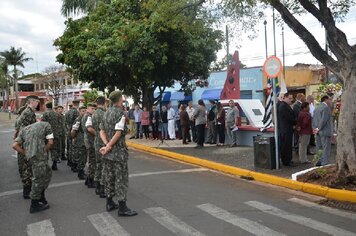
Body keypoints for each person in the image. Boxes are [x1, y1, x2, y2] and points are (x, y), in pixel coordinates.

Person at [99, 90, 137, 216]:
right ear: (119, 99)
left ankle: (109, 202)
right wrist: (109, 145)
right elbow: (119, 132)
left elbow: (102, 131)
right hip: (118, 152)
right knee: (121, 179)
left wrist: (106, 145)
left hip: (108, 153)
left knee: (110, 177)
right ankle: (122, 207)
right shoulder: (120, 113)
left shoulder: (106, 112)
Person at [12, 121, 54, 213]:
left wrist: (26, 153)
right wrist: (43, 151)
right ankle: (34, 205)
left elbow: (15, 145)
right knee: (39, 180)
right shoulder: (47, 125)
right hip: (40, 158)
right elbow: (50, 142)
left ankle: (41, 197)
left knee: (45, 176)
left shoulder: (25, 129)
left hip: (31, 158)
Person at [14, 95, 39, 199]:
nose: (37, 103)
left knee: (26, 167)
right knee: (26, 167)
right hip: (26, 144)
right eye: (36, 101)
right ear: (31, 102)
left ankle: (27, 190)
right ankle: (27, 191)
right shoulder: (28, 113)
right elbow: (26, 131)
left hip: (24, 143)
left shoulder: (27, 111)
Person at [91, 96, 107, 198]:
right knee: (103, 166)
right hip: (102, 141)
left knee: (98, 164)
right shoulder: (103, 114)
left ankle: (97, 186)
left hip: (96, 140)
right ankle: (102, 188)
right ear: (104, 103)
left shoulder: (94, 114)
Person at [313, 95, 333, 166]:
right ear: (325, 100)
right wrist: (318, 128)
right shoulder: (326, 108)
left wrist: (315, 129)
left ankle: (319, 161)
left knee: (319, 147)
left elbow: (314, 119)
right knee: (326, 148)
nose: (330, 101)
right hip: (324, 131)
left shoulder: (317, 108)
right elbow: (323, 120)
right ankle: (324, 163)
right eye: (329, 99)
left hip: (318, 131)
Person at [278, 93, 296, 166]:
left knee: (288, 145)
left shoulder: (286, 106)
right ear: (285, 98)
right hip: (285, 129)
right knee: (286, 146)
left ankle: (288, 159)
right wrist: (295, 122)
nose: (291, 100)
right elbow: (288, 117)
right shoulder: (283, 106)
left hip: (287, 128)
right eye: (289, 98)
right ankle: (286, 161)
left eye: (291, 98)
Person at [41, 101, 60, 171]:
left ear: (46, 106)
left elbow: (42, 124)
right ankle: (54, 164)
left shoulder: (45, 113)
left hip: (47, 134)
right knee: (54, 149)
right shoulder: (56, 114)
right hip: (55, 133)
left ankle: (46, 165)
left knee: (46, 149)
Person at [71, 105, 87, 179]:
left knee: (83, 157)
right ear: (79, 112)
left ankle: (80, 170)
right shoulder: (78, 120)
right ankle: (80, 173)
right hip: (80, 140)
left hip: (84, 140)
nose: (85, 112)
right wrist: (74, 138)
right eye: (83, 111)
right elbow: (73, 131)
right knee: (81, 157)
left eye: (85, 110)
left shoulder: (85, 118)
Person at [83, 103, 97, 187]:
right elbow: (89, 129)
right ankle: (90, 181)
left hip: (88, 140)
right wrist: (98, 134)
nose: (94, 110)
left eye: (94, 109)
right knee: (92, 161)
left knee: (90, 161)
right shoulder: (88, 116)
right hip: (90, 141)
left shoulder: (86, 116)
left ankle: (88, 179)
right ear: (88, 109)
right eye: (92, 108)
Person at [65, 100, 80, 168]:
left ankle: (69, 161)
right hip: (73, 131)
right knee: (74, 148)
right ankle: (73, 164)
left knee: (69, 147)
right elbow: (77, 123)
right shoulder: (76, 112)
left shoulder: (68, 112)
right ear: (77, 104)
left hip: (68, 130)